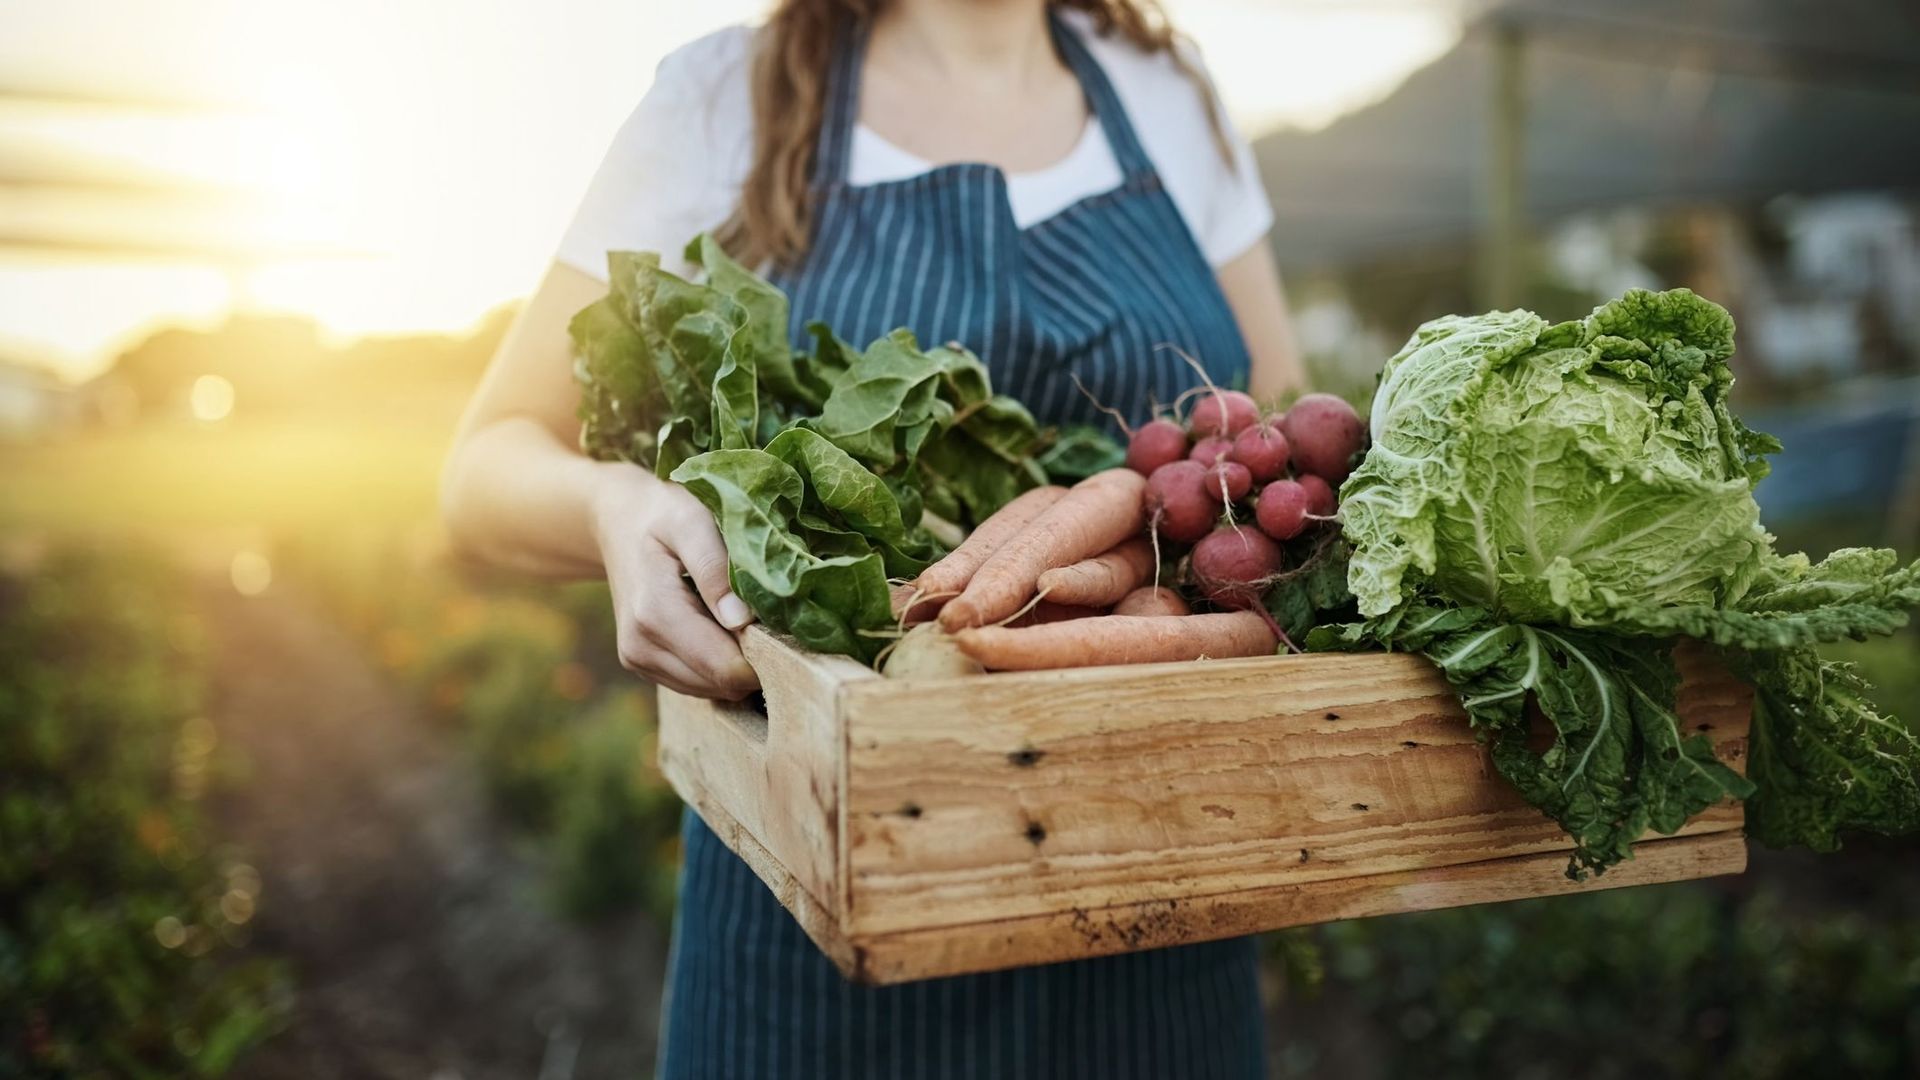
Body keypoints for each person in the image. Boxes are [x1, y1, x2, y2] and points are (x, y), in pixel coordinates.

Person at [442, 0, 1305, 1074]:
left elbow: (1277, 425)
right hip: (821, 910)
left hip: (1165, 885)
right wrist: (616, 507)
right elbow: (480, 467)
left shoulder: (1164, 88)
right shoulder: (719, 98)